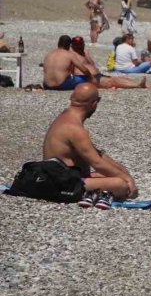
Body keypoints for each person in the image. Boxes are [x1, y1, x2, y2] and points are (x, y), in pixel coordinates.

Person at [9, 83, 137, 207]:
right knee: (120, 185)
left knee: (117, 175)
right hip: (64, 182)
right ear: (95, 103)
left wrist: (124, 172)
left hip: (67, 176)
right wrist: (127, 180)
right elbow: (97, 163)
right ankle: (93, 194)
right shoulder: (74, 128)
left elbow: (96, 153)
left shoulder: (66, 117)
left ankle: (97, 190)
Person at [70, 36, 151, 90]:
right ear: (73, 46)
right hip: (88, 79)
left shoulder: (85, 53)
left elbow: (92, 66)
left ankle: (146, 86)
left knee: (118, 78)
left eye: (81, 44)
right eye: (77, 45)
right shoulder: (72, 55)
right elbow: (71, 71)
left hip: (97, 75)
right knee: (113, 81)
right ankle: (140, 86)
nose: (80, 46)